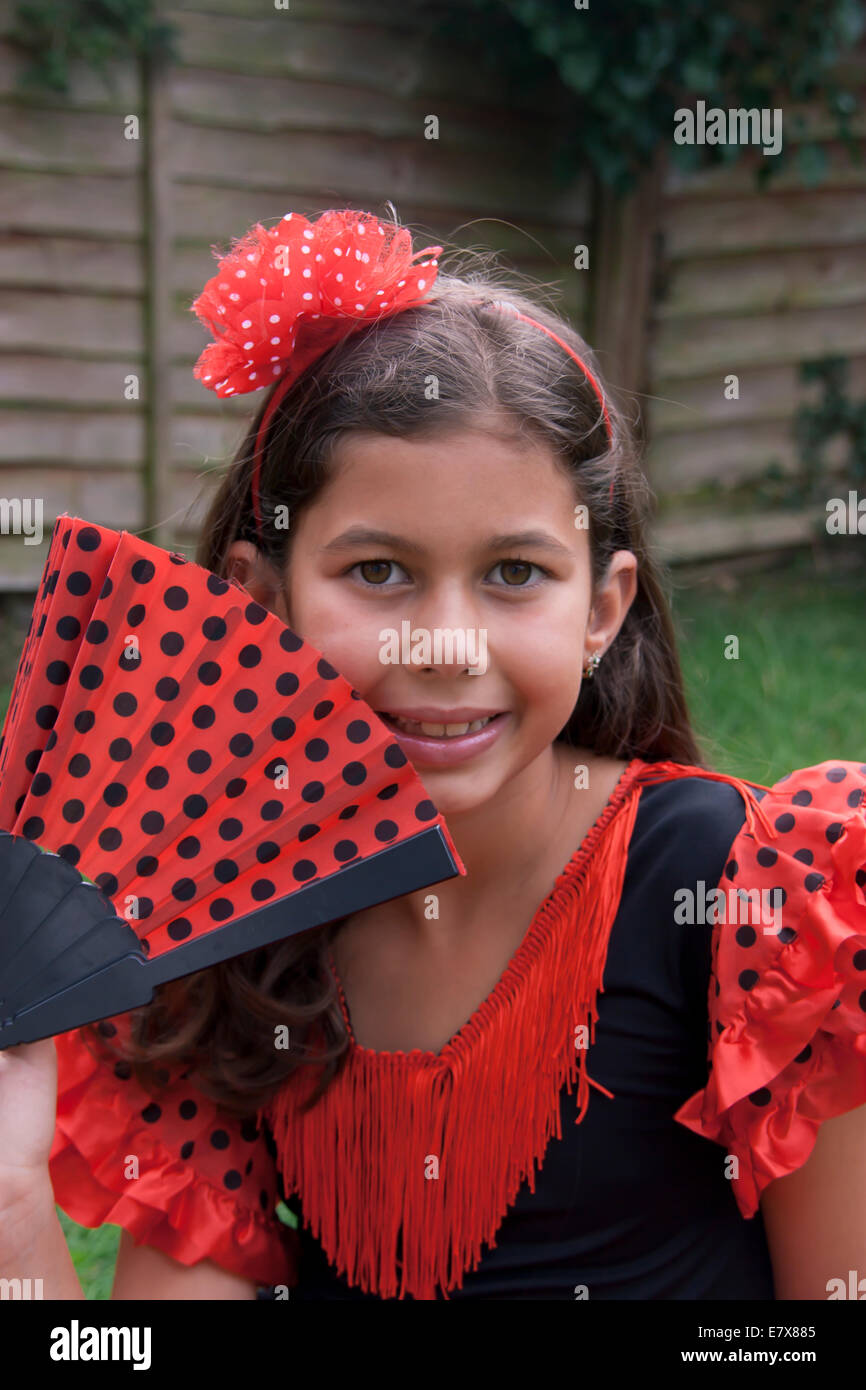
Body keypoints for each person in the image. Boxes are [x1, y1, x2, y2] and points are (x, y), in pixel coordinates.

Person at [1, 208, 864, 1301]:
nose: (444, 644)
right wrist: (13, 1200)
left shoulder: (751, 900)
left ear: (602, 609)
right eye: (377, 572)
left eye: (513, 573)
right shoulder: (229, 924)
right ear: (262, 605)